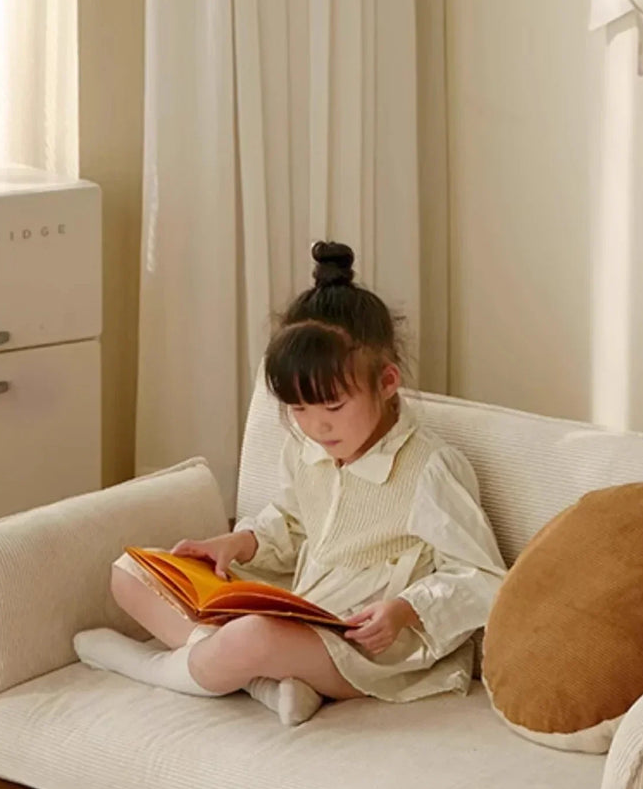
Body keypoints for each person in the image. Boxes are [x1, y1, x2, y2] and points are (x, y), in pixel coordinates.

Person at [74, 242, 507, 725]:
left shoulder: (430, 467)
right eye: (299, 409)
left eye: (333, 407)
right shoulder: (306, 450)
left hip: (369, 652)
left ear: (387, 382)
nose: (317, 427)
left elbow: (485, 578)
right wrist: (238, 542)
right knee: (131, 573)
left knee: (253, 638)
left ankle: (154, 667)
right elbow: (294, 522)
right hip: (304, 609)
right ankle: (265, 683)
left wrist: (405, 610)